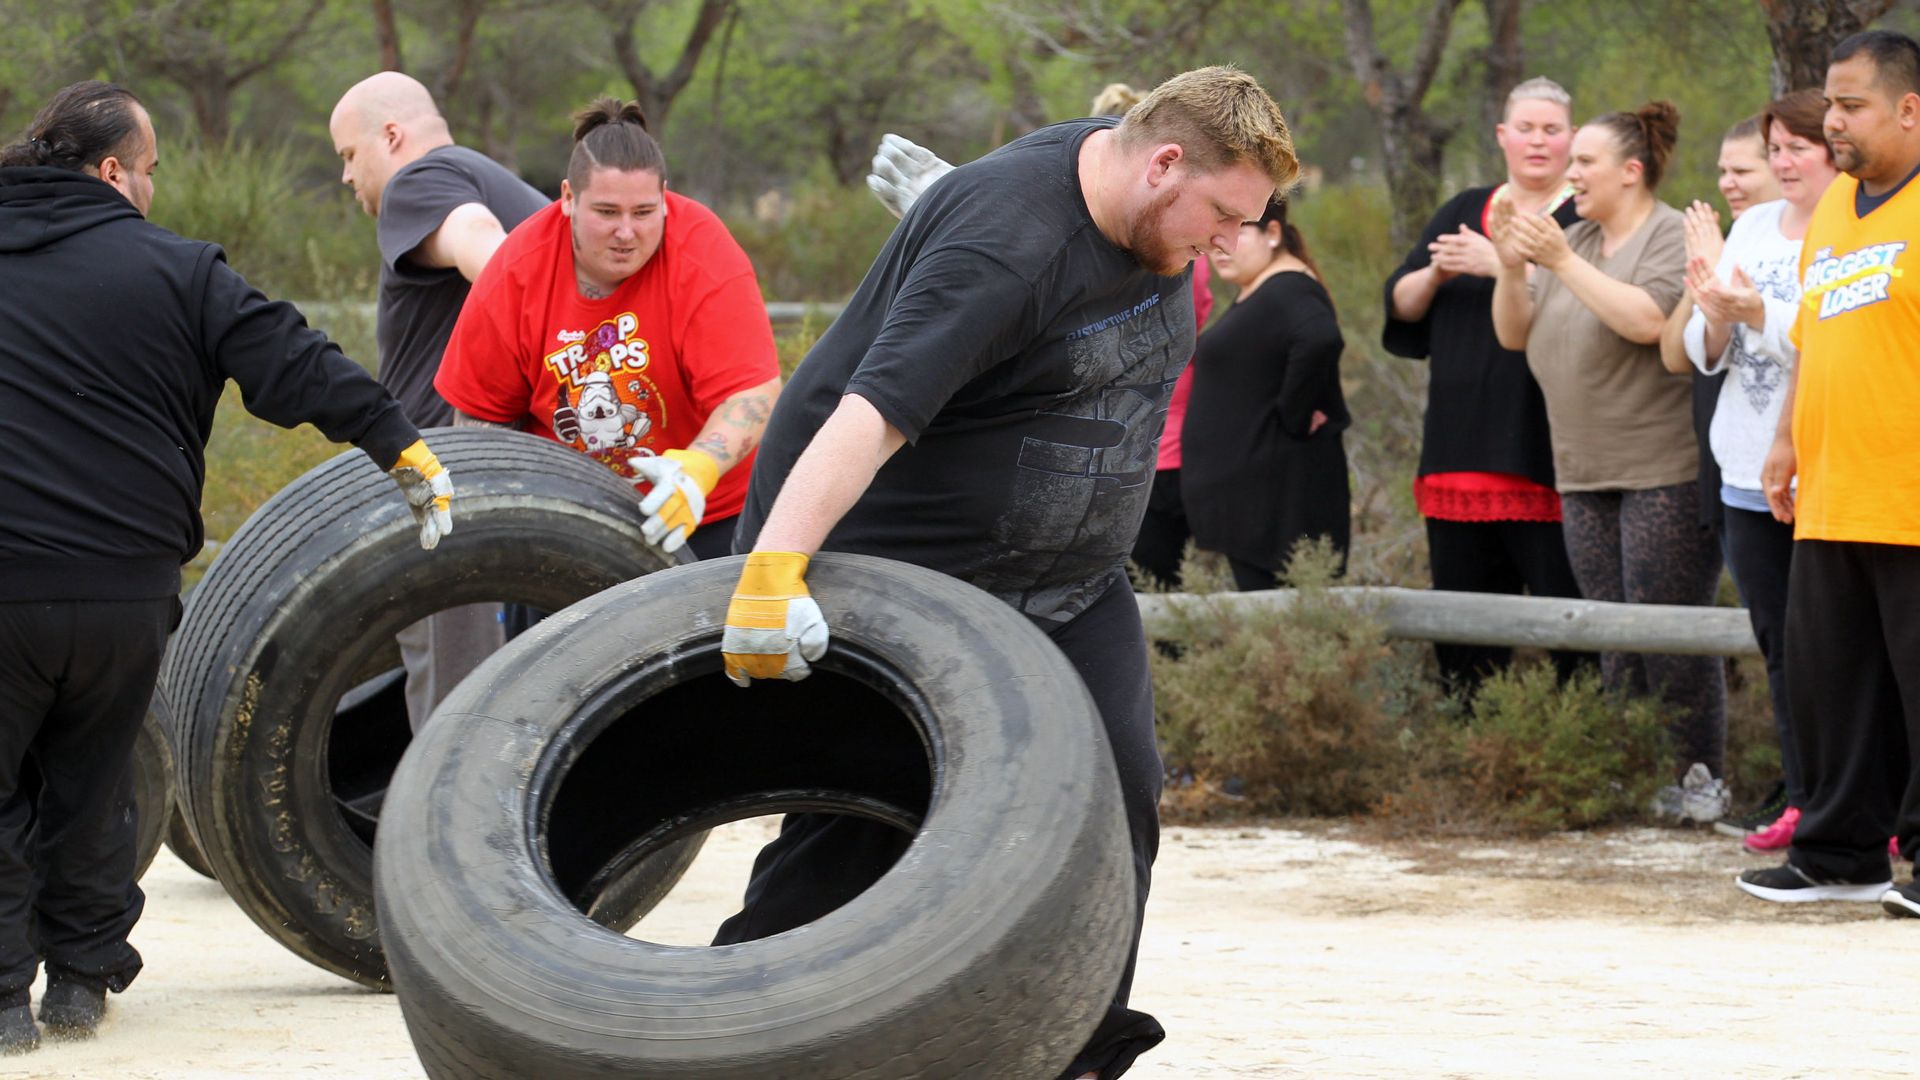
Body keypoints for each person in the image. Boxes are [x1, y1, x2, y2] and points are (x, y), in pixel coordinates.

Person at [718, 66, 1299, 1080]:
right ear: (1164, 164)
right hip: (913, 573)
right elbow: (868, 416)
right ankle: (722, 1037)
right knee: (859, 827)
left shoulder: (1132, 180)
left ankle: (1068, 1050)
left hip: (1073, 586)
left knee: (1116, 805)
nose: (1230, 242)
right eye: (1223, 215)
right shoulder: (1007, 247)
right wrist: (772, 570)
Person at [0, 81, 451, 1052]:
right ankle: (78, 981)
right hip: (127, 590)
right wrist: (398, 443)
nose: (155, 188)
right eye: (152, 168)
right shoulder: (180, 271)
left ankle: (2, 1005)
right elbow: (293, 361)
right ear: (113, 169)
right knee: (92, 782)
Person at [864, 86, 1215, 590]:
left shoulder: (1174, 247)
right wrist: (963, 218)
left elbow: (1075, 310)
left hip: (1145, 447)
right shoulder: (1063, 231)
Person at [1489, 100, 1729, 818]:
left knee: (1667, 634)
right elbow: (1513, 335)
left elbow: (1649, 323)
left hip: (1661, 467)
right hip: (1582, 468)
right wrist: (1509, 268)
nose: (1570, 174)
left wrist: (1557, 258)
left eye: (1584, 162)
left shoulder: (1662, 235)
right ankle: (1629, 770)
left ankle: (1698, 782)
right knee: (1612, 633)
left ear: (1631, 171)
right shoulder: (1579, 237)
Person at [1736, 30, 1920, 908]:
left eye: (1851, 105)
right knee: (1832, 686)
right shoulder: (1842, 204)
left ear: (1910, 110)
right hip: (1835, 487)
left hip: (1911, 490)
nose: (1832, 121)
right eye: (1830, 103)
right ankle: (1840, 854)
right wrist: (1786, 440)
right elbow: (1815, 331)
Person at [435, 98, 781, 562]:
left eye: (643, 212)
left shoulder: (703, 253)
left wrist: (699, 467)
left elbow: (752, 393)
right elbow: (480, 418)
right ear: (567, 200)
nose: (626, 232)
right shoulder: (517, 270)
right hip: (564, 519)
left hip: (708, 514)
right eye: (606, 212)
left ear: (665, 198)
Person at [329, 71, 549, 731]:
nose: (345, 177)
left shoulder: (417, 182)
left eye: (347, 155)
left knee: (457, 706)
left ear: (391, 136)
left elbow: (490, 251)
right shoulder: (499, 183)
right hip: (524, 472)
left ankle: (444, 828)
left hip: (450, 481)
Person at [1382, 76, 1586, 692]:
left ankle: (1580, 742)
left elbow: (1593, 304)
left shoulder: (1584, 214)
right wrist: (1438, 272)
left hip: (1548, 452)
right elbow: (1401, 303)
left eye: (1551, 130)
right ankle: (1470, 749)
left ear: (1572, 139)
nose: (1538, 141)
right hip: (1458, 447)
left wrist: (1501, 265)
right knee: (1465, 630)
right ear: (1502, 136)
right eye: (1525, 128)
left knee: (1569, 622)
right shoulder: (1466, 207)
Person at [1675, 91, 1839, 853]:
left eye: (1797, 146)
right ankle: (1805, 801)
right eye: (1774, 147)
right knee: (1779, 647)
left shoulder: (1851, 231)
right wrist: (1712, 301)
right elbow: (1704, 354)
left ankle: (1867, 810)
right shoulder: (1752, 228)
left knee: (1840, 648)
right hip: (1743, 468)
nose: (1783, 161)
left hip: (1829, 472)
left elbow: (1827, 350)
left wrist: (1754, 314)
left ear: (1833, 151)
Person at [1182, 196, 1348, 589]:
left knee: (1286, 628)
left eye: (1238, 230)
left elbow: (1320, 338)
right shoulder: (1267, 289)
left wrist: (1294, 415)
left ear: (1273, 233)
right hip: (1257, 506)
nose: (1221, 244)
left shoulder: (1289, 288)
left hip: (1277, 507)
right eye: (1216, 231)